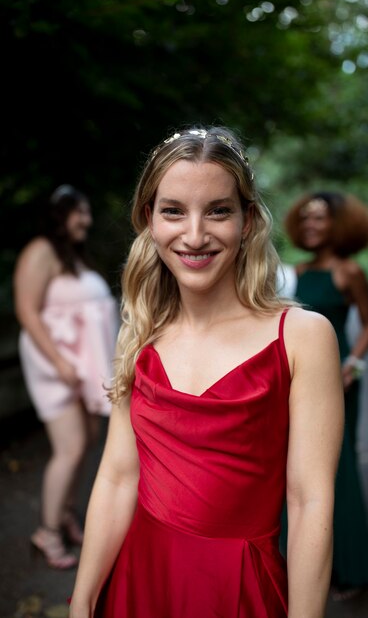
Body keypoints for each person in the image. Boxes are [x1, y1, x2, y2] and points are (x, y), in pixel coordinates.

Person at [69, 127, 344, 618]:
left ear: (248, 220)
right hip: (139, 577)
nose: (194, 235)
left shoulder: (302, 336)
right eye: (174, 210)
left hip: (237, 587)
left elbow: (309, 501)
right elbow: (117, 476)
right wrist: (83, 601)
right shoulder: (141, 332)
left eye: (218, 210)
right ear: (149, 219)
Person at [14, 185, 118, 570]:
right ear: (61, 214)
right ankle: (47, 532)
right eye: (81, 213)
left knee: (87, 440)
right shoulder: (40, 250)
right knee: (70, 447)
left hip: (85, 366)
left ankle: (66, 514)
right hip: (57, 363)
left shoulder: (72, 256)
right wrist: (58, 360)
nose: (87, 221)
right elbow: (27, 310)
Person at [283, 191, 368, 600]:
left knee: (340, 466)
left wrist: (351, 367)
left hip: (340, 381)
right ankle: (296, 564)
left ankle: (353, 570)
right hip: (299, 379)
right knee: (296, 467)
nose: (311, 225)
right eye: (305, 219)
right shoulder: (295, 273)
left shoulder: (349, 272)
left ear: (339, 224)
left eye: (319, 218)